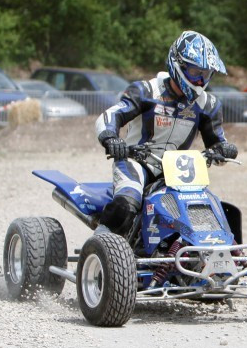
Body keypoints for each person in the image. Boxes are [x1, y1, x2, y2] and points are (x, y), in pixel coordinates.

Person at [94, 31, 238, 238]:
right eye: (195, 72)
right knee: (127, 203)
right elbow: (110, 115)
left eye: (205, 74)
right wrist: (111, 138)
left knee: (204, 207)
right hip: (136, 162)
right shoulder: (146, 91)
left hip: (176, 170)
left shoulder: (208, 104)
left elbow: (217, 144)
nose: (200, 81)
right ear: (177, 65)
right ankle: (100, 245)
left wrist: (224, 150)